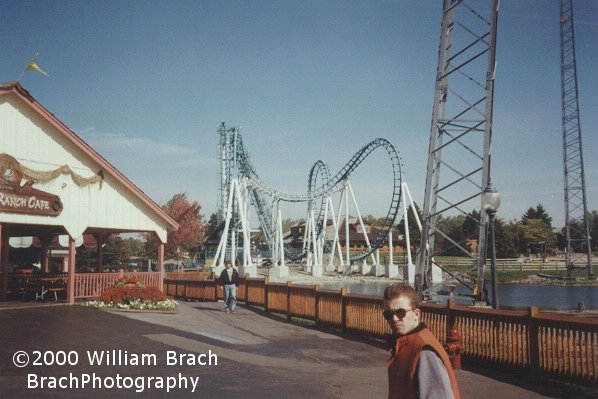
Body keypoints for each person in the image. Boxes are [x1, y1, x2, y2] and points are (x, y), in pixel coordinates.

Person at [383, 283, 460, 399]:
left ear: (416, 314)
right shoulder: (404, 345)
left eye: (400, 312)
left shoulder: (425, 351)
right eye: (388, 314)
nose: (394, 319)